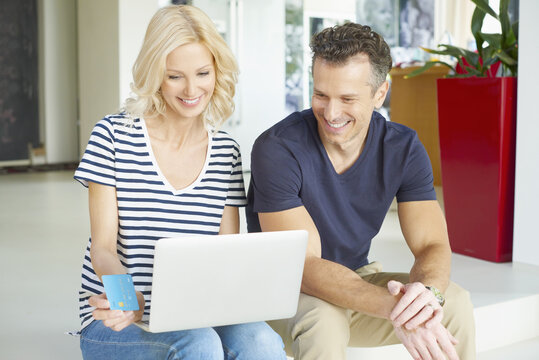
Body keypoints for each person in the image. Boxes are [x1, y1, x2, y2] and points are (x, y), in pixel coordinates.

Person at [246, 22, 476, 360]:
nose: (331, 112)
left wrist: (425, 297)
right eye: (321, 95)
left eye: (347, 98)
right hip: (283, 291)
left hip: (356, 280)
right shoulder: (278, 149)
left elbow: (432, 244)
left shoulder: (403, 148)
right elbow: (303, 266)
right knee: (323, 320)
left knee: (453, 303)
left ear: (380, 94)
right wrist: (395, 309)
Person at [74, 5, 286, 360]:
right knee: (198, 345)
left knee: (261, 342)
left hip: (196, 315)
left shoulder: (225, 152)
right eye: (175, 76)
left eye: (203, 72)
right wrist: (129, 301)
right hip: (119, 321)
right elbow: (104, 249)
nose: (192, 89)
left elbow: (225, 254)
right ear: (155, 74)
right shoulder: (112, 136)